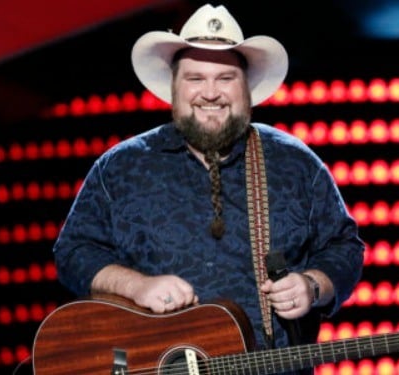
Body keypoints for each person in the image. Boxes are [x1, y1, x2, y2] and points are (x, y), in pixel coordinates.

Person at [51, 3, 365, 370]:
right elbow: (73, 252)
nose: (210, 93)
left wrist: (313, 285)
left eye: (225, 78)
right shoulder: (121, 167)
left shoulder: (294, 164)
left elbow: (344, 248)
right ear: (174, 87)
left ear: (246, 88)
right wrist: (136, 287)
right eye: (195, 78)